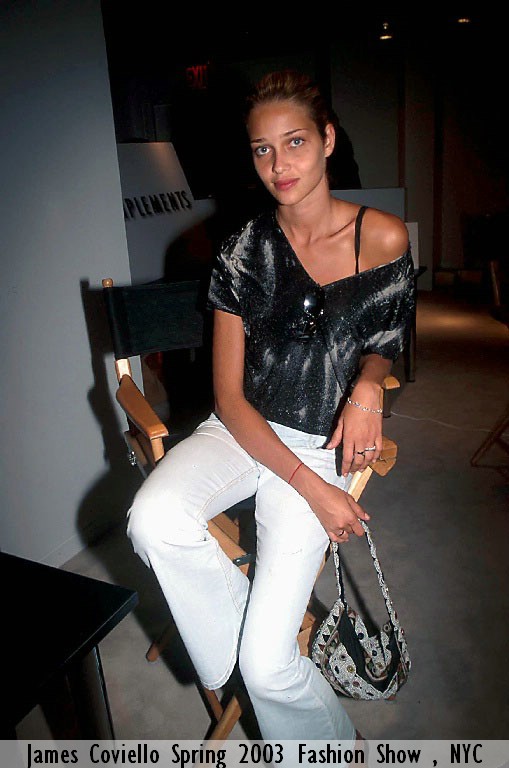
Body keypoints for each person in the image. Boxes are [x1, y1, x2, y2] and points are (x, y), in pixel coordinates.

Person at [127, 69, 415, 741]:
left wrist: (369, 383)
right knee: (152, 519)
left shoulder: (381, 237)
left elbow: (385, 340)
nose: (279, 164)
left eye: (295, 142)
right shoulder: (241, 252)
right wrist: (314, 490)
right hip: (242, 428)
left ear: (327, 140)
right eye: (263, 148)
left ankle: (316, 732)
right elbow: (229, 398)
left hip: (322, 438)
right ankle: (254, 648)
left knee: (268, 669)